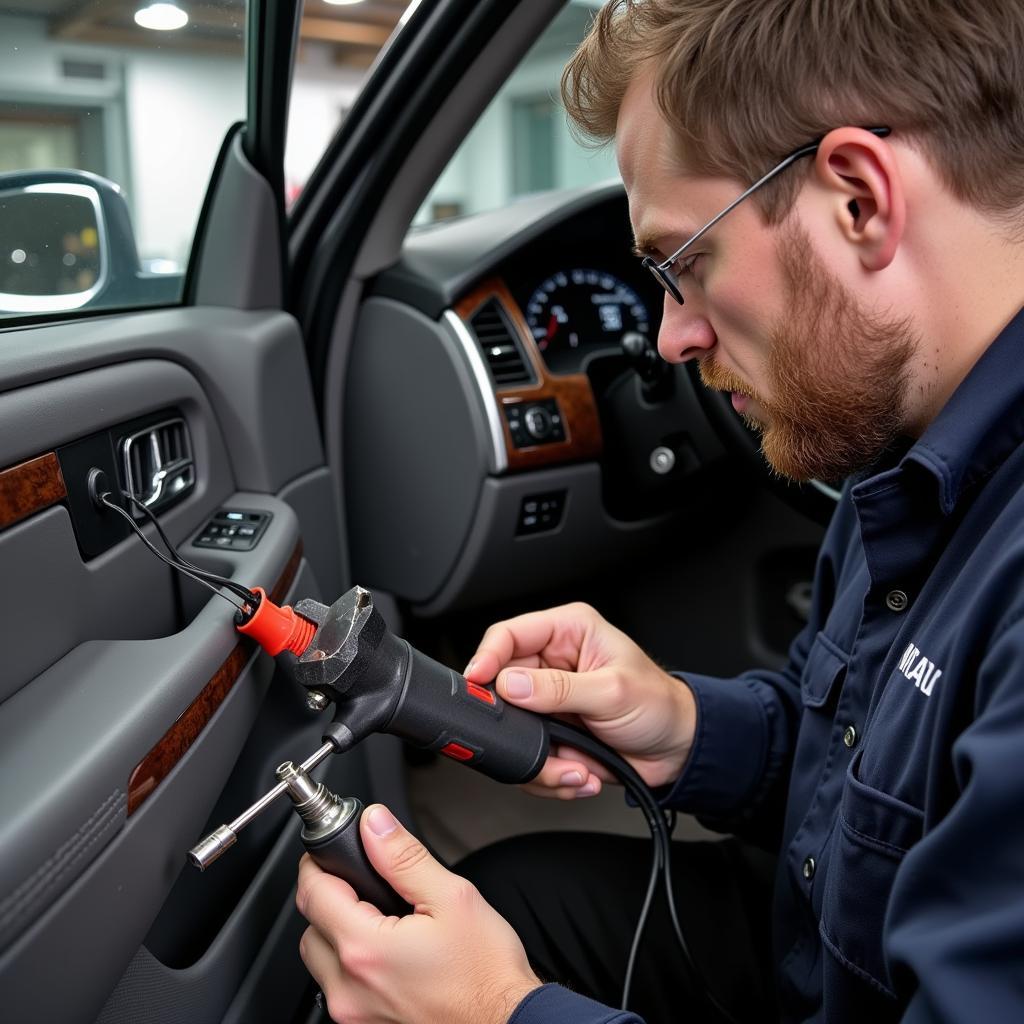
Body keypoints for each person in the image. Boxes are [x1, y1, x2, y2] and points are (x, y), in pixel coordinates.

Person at [293, 1, 1024, 1021]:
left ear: (858, 199)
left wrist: (499, 1015)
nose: (671, 336)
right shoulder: (897, 454)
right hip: (814, 949)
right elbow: (865, 769)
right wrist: (684, 730)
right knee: (501, 896)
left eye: (685, 264)